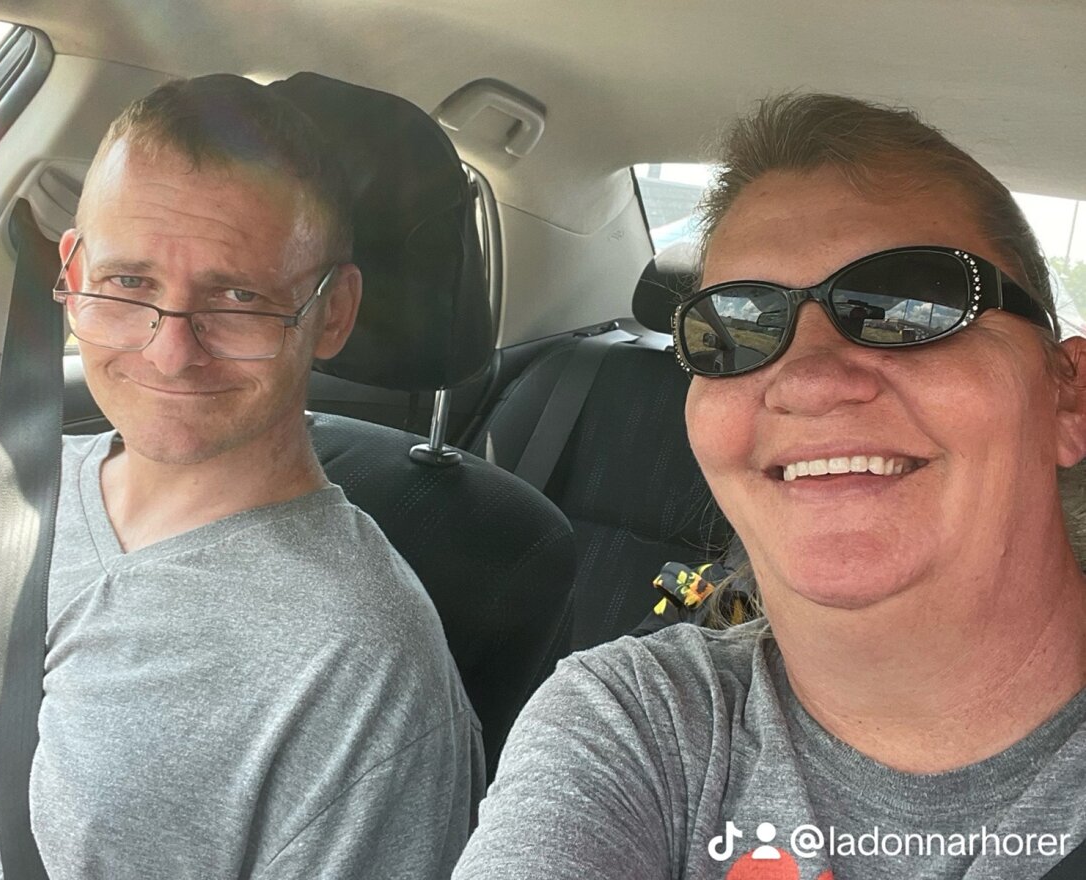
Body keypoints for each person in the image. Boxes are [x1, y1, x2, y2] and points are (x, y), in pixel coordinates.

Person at [453, 93, 1086, 879]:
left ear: (1069, 394)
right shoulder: (636, 725)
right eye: (735, 326)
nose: (809, 379)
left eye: (908, 306)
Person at [0, 74, 483, 879]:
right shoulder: (5, 485)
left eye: (239, 298)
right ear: (72, 274)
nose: (170, 351)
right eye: (129, 284)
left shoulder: (362, 666)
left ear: (332, 313)